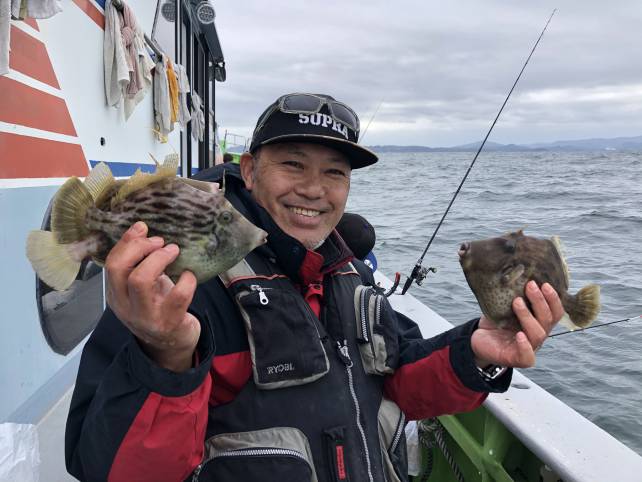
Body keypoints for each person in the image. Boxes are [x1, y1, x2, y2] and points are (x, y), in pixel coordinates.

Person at [65, 93, 564, 482]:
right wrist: (165, 358)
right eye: (293, 164)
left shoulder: (348, 273)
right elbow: (108, 469)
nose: (314, 189)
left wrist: (476, 353)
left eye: (334, 173)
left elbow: (398, 382)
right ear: (249, 170)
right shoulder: (177, 286)